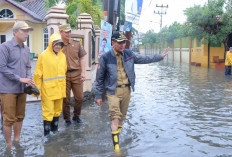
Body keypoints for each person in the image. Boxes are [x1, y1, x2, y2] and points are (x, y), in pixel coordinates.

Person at [95, 31, 169, 150]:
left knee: (122, 118)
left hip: (126, 91)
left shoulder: (129, 54)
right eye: (119, 42)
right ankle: (117, 148)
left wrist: (159, 57)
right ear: (113, 43)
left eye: (124, 42)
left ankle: (116, 137)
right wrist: (99, 95)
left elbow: (144, 58)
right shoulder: (105, 57)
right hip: (112, 92)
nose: (122, 45)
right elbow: (100, 78)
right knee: (115, 117)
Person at [0, 21, 35, 148]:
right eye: (24, 31)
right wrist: (20, 79)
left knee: (20, 116)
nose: (27, 34)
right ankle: (8, 145)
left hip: (22, 89)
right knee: (9, 118)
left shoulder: (26, 49)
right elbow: (2, 68)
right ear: (15, 32)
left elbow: (28, 67)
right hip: (8, 89)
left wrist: (29, 80)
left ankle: (17, 140)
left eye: (28, 31)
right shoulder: (5, 47)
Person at [33, 33, 67, 136]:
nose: (58, 46)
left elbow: (64, 71)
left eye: (60, 44)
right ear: (51, 44)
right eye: (56, 44)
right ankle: (47, 135)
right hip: (48, 90)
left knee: (57, 111)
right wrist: (37, 90)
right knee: (48, 112)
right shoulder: (43, 56)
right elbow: (38, 74)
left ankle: (54, 132)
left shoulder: (63, 56)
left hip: (60, 89)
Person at [58, 24, 87, 126]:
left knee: (79, 97)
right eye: (66, 32)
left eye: (69, 31)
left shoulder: (77, 43)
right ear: (61, 32)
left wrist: (83, 72)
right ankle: (67, 119)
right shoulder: (57, 45)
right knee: (65, 99)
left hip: (76, 74)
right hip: (63, 75)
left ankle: (76, 116)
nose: (69, 33)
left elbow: (82, 58)